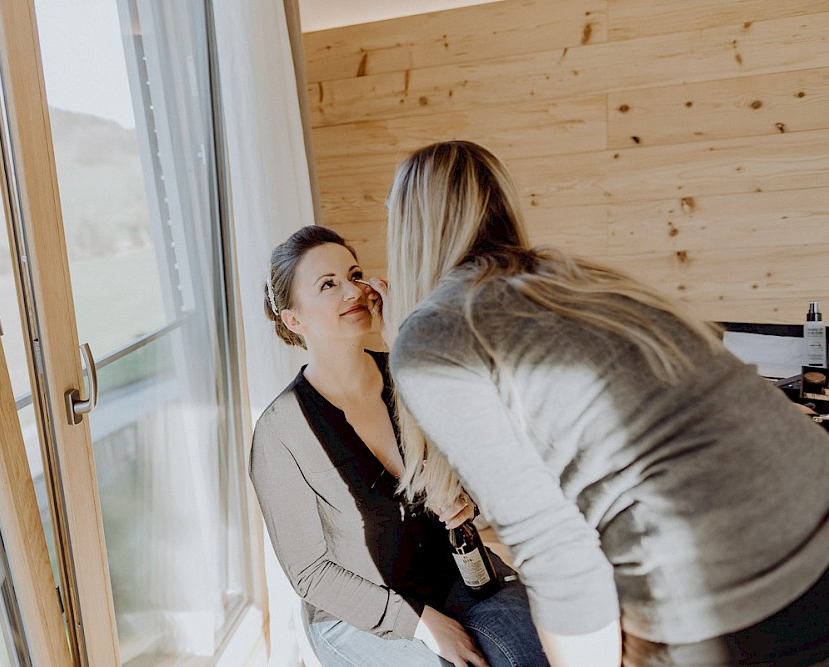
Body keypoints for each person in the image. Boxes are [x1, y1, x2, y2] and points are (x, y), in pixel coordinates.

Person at [379, 140, 829, 667]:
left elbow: (555, 549)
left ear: (407, 229)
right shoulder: (580, 282)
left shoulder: (435, 337)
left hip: (722, 588)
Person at [250, 225, 549, 667]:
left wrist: (465, 498)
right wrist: (419, 623)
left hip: (458, 578)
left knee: (536, 653)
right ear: (294, 320)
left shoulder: (410, 372)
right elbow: (311, 574)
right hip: (359, 617)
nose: (352, 290)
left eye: (354, 275)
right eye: (328, 285)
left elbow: (485, 466)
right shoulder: (281, 432)